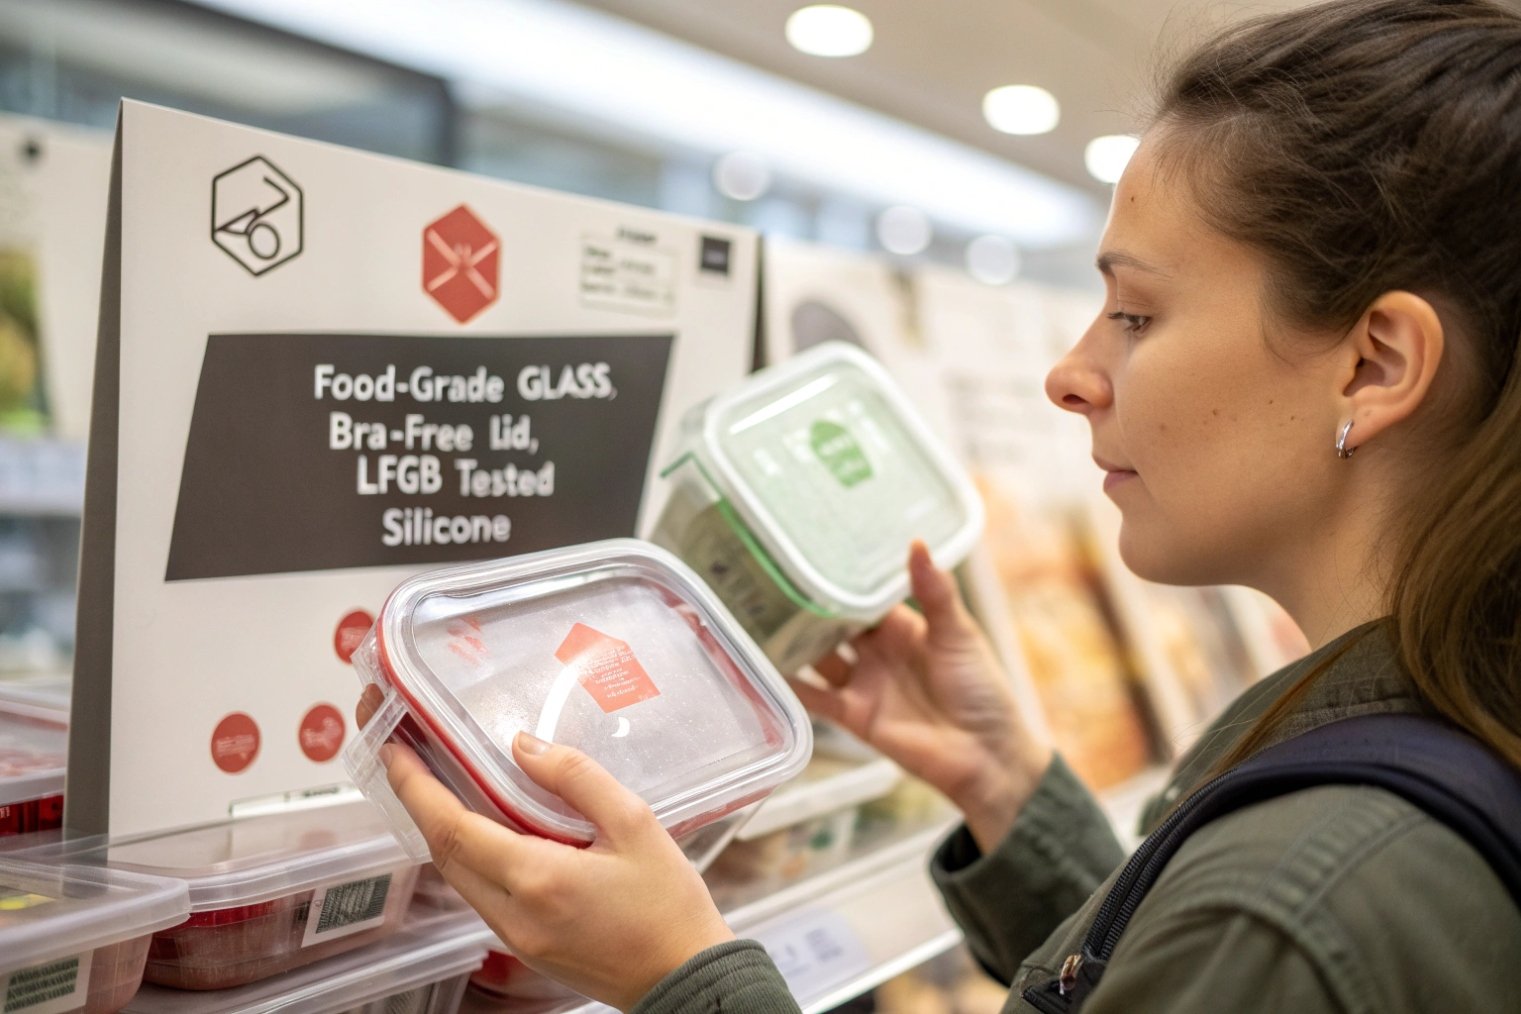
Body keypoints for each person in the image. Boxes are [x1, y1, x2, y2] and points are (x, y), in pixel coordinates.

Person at [358, 0, 1521, 1010]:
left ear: (1374, 366)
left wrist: (677, 974)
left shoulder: (1299, 900)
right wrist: (1008, 790)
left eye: (1135, 314)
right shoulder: (1423, 757)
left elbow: (1252, 951)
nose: (1069, 374)